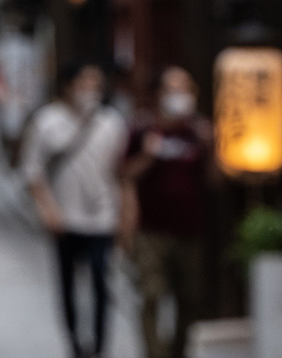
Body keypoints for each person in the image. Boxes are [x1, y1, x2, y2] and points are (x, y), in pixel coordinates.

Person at [22, 62, 129, 358]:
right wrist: (48, 210)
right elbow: (32, 172)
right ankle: (74, 344)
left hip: (103, 217)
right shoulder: (46, 121)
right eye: (84, 83)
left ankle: (99, 346)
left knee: (100, 281)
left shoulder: (112, 122)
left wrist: (124, 214)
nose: (90, 91)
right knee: (67, 283)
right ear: (67, 86)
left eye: (96, 85)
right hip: (64, 218)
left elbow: (121, 172)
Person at [122, 66, 214, 358]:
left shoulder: (198, 131)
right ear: (158, 94)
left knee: (190, 299)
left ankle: (178, 352)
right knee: (151, 296)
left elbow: (216, 181)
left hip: (190, 228)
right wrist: (147, 156)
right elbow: (123, 176)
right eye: (173, 89)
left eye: (185, 88)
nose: (180, 95)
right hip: (150, 230)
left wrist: (212, 148)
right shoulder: (142, 129)